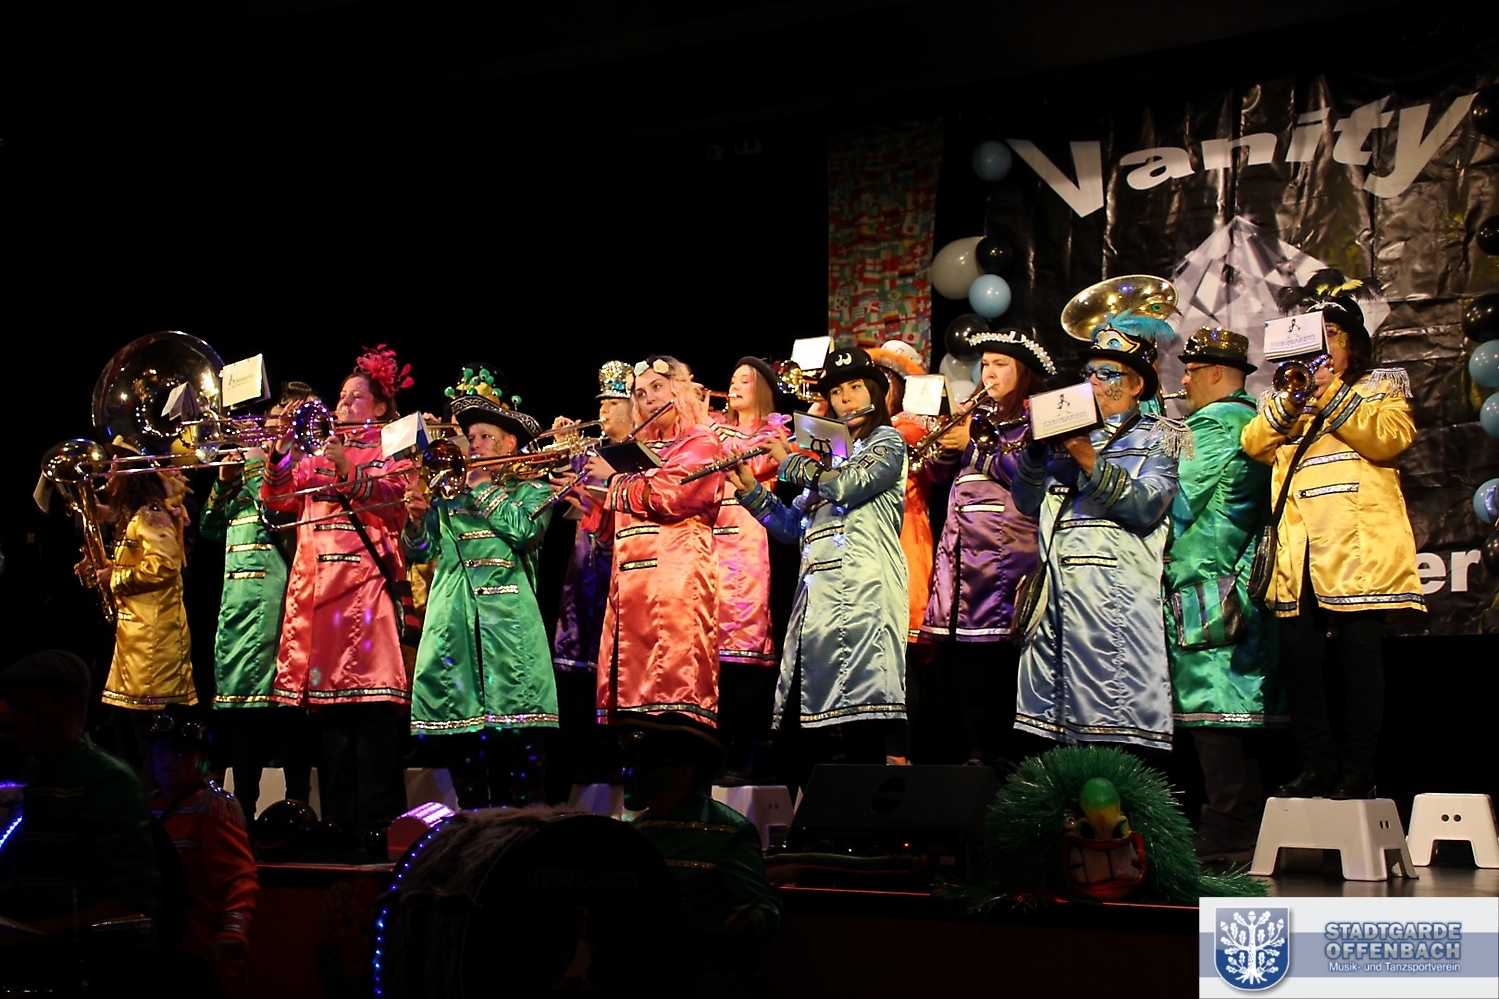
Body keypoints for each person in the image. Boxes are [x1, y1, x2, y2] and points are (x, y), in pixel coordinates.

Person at [1241, 272, 1424, 800]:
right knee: (1301, 663)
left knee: (1359, 661)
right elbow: (1253, 444)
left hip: (1356, 547)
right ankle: (1316, 765)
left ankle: (1358, 769)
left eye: (1333, 337)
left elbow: (1389, 440)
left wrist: (1333, 395)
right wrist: (1293, 400)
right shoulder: (1287, 399)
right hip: (1300, 550)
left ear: (1352, 345)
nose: (1322, 350)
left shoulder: (1379, 389)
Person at [729, 347, 907, 794]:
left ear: (875, 393)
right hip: (816, 606)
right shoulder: (828, 462)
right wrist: (752, 492)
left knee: (861, 723)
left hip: (862, 600)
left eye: (855, 388)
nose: (845, 399)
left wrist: (791, 459)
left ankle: (864, 827)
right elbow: (792, 527)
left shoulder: (887, 443)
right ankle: (811, 821)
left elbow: (848, 486)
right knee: (798, 730)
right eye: (837, 392)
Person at [261, 345, 416, 846]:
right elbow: (279, 499)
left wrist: (348, 467)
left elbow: (395, 501)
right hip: (320, 601)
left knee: (370, 713)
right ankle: (340, 827)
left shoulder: (391, 446)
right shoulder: (315, 454)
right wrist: (280, 454)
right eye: (342, 397)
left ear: (379, 407)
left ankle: (381, 827)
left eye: (355, 398)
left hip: (364, 598)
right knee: (330, 720)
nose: (343, 404)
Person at [1012, 321, 1186, 754]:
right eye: (1089, 372)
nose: (1093, 382)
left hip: (1114, 608)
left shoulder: (1159, 436)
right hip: (1056, 609)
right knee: (1051, 736)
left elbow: (1146, 506)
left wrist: (1088, 459)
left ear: (1137, 385)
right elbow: (1025, 502)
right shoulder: (1064, 438)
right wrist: (1034, 453)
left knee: (1113, 727)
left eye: (1107, 373)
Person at [402, 379, 559, 809]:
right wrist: (416, 519)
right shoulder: (448, 493)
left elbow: (524, 532)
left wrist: (483, 486)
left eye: (485, 436)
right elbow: (421, 551)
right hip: (455, 630)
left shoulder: (535, 489)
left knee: (520, 765)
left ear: (510, 442)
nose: (474, 445)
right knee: (465, 758)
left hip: (509, 633)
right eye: (470, 437)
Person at [1164, 328, 1281, 862]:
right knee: (1235, 716)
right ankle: (1240, 829)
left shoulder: (1216, 422)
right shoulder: (1248, 419)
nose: (1184, 380)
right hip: (1232, 583)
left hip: (1212, 586)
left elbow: (1175, 494)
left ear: (1215, 373)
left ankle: (1226, 832)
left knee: (1213, 706)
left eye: (1191, 371)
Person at [920, 330, 1056, 767]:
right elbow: (938, 477)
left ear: (1024, 373)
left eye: (1001, 365)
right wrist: (947, 445)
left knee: (1001, 659)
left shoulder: (1035, 417)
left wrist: (974, 447)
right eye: (986, 364)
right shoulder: (976, 414)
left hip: (1006, 556)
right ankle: (976, 754)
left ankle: (1006, 759)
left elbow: (1025, 475)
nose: (990, 373)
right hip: (961, 555)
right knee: (966, 662)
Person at [0, 650, 161, 983]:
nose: (12, 720)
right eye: (10, 708)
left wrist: (30, 935)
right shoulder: (37, 776)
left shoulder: (106, 779)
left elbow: (133, 902)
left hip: (80, 974)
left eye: (26, 708)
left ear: (71, 707)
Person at [585, 355, 723, 730]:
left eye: (657, 388)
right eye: (641, 394)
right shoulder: (635, 449)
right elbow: (619, 524)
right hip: (629, 589)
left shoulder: (701, 441)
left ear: (679, 389)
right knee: (631, 715)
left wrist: (612, 482)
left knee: (672, 704)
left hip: (674, 587)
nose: (648, 400)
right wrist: (593, 504)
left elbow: (670, 496)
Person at [199, 381, 315, 820]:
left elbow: (278, 512)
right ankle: (241, 815)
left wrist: (262, 464)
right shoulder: (241, 476)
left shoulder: (297, 469)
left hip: (278, 602)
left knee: (284, 714)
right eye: (271, 419)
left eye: (283, 421)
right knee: (242, 717)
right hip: (236, 609)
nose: (271, 427)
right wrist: (222, 482)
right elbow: (210, 529)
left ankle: (297, 811)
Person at [620, 715, 782, 999]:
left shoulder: (728, 831)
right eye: (632, 764)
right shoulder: (635, 833)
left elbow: (766, 909)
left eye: (647, 765)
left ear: (683, 774)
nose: (633, 774)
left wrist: (749, 923)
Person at [549, 362, 635, 789]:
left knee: (616, 667)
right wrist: (562, 448)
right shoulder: (589, 451)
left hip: (622, 571)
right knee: (577, 667)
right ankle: (578, 757)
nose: (603, 411)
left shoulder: (639, 454)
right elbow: (562, 499)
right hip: (582, 574)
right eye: (602, 402)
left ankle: (612, 758)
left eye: (614, 403)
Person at [90, 462, 198, 767]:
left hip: (151, 642)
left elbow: (164, 565)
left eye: (116, 468)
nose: (110, 475)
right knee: (124, 728)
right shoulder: (139, 515)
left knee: (144, 735)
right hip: (134, 639)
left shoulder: (151, 514)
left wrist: (114, 577)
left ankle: (152, 794)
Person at [709, 356, 785, 782]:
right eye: (733, 378)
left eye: (745, 380)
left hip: (749, 543)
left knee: (744, 647)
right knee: (710, 652)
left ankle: (750, 752)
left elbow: (751, 467)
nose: (734, 385)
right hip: (709, 542)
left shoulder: (773, 433)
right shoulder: (714, 429)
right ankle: (716, 750)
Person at [146, 719, 259, 999]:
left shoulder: (212, 806)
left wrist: (232, 931)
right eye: (161, 751)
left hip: (200, 952)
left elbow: (239, 877)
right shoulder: (145, 807)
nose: (169, 758)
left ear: (203, 760)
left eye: (181, 752)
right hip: (155, 949)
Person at [864, 341, 934, 766]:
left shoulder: (911, 425)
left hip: (905, 544)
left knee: (900, 656)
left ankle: (899, 757)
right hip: (864, 551)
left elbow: (905, 436)